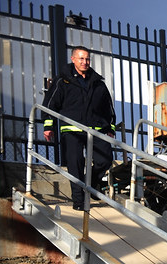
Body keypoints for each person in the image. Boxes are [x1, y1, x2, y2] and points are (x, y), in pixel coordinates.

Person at [41, 46, 116, 211]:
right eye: (81, 59)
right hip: (72, 129)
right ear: (73, 59)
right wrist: (48, 126)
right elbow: (50, 105)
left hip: (96, 129)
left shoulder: (98, 83)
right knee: (75, 163)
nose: (85, 62)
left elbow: (108, 108)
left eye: (87, 59)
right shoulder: (63, 80)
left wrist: (110, 128)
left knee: (105, 160)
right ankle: (79, 200)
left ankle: (92, 185)